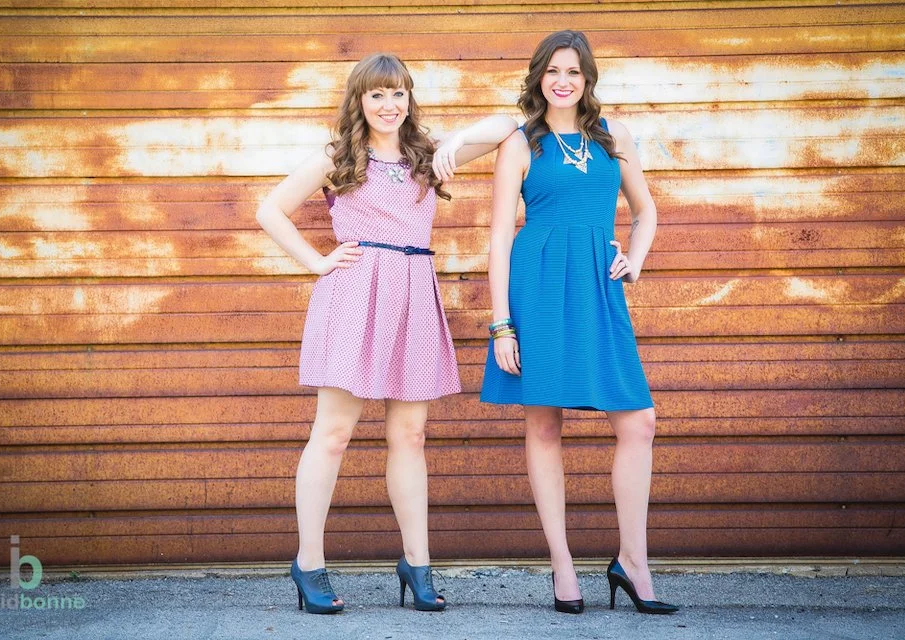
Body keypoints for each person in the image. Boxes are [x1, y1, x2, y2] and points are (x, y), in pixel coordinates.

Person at [255, 52, 516, 614]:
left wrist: (456, 140)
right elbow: (270, 209)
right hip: (354, 295)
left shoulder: (428, 155)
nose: (388, 105)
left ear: (409, 99)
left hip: (414, 297)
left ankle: (416, 562)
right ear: (359, 100)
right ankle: (308, 562)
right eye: (376, 94)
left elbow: (507, 125)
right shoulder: (339, 157)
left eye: (398, 93)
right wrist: (316, 261)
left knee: (411, 435)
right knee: (334, 433)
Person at [478, 30, 678, 615]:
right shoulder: (521, 144)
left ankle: (632, 562)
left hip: (596, 285)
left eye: (573, 71)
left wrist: (634, 261)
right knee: (544, 425)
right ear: (538, 76)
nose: (562, 80)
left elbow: (645, 211)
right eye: (552, 71)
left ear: (588, 78)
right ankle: (563, 569)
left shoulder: (613, 136)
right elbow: (496, 237)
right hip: (535, 283)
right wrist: (501, 324)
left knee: (638, 421)